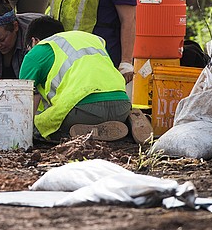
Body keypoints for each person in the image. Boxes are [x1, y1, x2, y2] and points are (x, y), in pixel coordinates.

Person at [18, 16, 151, 142]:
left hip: (81, 112)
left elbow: (25, 103)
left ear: (34, 41)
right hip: (121, 105)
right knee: (112, 115)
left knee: (41, 125)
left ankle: (84, 133)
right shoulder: (93, 41)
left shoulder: (37, 51)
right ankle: (129, 123)